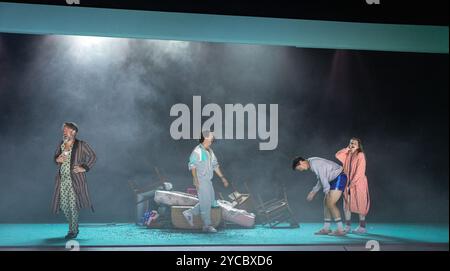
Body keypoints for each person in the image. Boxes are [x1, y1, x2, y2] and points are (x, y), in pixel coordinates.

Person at [51, 122, 97, 239]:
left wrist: (84, 168)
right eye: (64, 130)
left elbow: (93, 156)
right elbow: (55, 157)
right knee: (64, 206)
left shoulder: (81, 144)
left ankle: (73, 230)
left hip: (75, 181)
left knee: (73, 206)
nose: (64, 131)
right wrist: (57, 159)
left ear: (73, 131)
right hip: (62, 180)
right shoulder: (62, 144)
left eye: (66, 129)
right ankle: (73, 226)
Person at [183, 130, 229, 233]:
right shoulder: (197, 151)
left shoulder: (210, 151)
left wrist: (222, 177)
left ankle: (189, 212)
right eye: (211, 135)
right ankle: (207, 225)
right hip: (201, 180)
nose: (213, 137)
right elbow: (192, 165)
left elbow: (215, 165)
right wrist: (195, 180)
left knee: (211, 202)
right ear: (206, 137)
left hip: (208, 180)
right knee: (206, 203)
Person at [292, 156, 347, 236]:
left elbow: (323, 178)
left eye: (299, 168)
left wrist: (326, 191)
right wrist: (313, 192)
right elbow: (321, 179)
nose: (301, 170)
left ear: (301, 162)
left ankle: (340, 230)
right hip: (333, 179)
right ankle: (326, 228)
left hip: (339, 177)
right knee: (326, 203)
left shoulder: (315, 163)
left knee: (330, 203)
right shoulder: (311, 162)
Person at [336, 138, 370, 234]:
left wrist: (353, 183)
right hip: (348, 183)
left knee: (360, 204)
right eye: (351, 143)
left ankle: (362, 227)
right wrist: (347, 149)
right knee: (347, 205)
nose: (352, 144)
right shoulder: (348, 155)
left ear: (359, 145)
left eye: (354, 143)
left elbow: (360, 171)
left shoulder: (360, 155)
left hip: (358, 183)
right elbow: (337, 155)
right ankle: (347, 226)